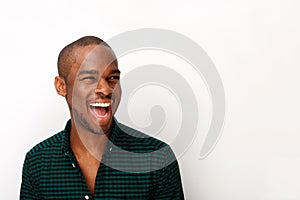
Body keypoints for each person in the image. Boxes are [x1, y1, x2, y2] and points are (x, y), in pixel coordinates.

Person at [20, 36, 184, 199]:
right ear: (61, 86)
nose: (105, 90)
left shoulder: (157, 158)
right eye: (90, 78)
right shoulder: (37, 163)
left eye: (112, 78)